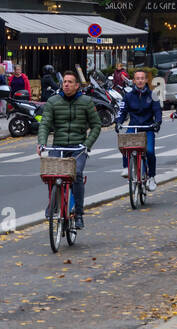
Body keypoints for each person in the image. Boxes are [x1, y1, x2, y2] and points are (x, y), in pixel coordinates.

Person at [37, 69, 102, 227]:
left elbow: (96, 126)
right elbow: (45, 124)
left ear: (77, 85)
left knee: (77, 174)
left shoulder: (86, 101)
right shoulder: (53, 101)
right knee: (52, 174)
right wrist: (41, 143)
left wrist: (87, 145)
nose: (66, 85)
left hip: (78, 147)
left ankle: (79, 213)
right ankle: (53, 203)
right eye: (64, 82)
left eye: (70, 82)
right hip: (58, 145)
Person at [116, 68, 161, 193]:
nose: (140, 81)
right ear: (134, 80)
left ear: (146, 80)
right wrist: (118, 122)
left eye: (142, 78)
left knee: (150, 152)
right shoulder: (128, 96)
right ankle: (126, 167)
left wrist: (157, 122)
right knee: (125, 145)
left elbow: (157, 111)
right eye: (137, 78)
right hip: (133, 126)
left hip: (148, 127)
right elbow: (122, 111)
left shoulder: (153, 95)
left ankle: (151, 176)